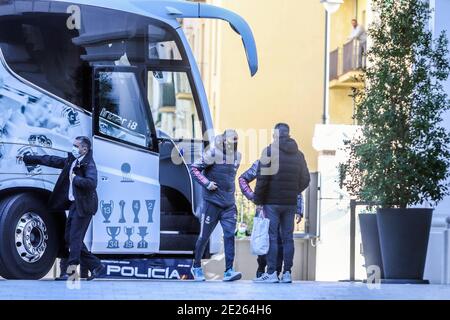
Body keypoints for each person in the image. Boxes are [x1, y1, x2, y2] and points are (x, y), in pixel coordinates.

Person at [18, 136, 104, 281]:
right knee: (69, 238)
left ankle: (71, 274)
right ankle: (96, 266)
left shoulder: (89, 164)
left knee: (75, 239)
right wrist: (29, 158)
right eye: (73, 145)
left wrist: (75, 179)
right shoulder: (73, 161)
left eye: (76, 146)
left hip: (84, 206)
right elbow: (51, 160)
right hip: (74, 205)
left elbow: (92, 183)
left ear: (85, 149)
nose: (73, 148)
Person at [252, 123, 310, 283]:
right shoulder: (299, 154)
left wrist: (258, 200)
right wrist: (294, 190)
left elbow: (262, 179)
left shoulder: (269, 151)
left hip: (272, 203)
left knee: (272, 237)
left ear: (275, 135)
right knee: (288, 238)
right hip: (290, 203)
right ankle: (287, 273)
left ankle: (271, 273)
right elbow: (306, 179)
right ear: (288, 134)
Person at [190, 130, 242, 282]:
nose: (233, 143)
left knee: (229, 235)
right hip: (212, 204)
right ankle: (196, 266)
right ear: (223, 140)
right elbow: (194, 169)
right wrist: (207, 183)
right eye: (230, 140)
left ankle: (229, 271)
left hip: (229, 205)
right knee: (204, 236)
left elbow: (230, 178)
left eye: (235, 140)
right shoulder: (213, 153)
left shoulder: (238, 156)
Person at [239, 160, 304, 280]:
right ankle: (263, 271)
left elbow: (297, 187)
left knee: (279, 241)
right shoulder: (261, 163)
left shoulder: (288, 164)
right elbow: (242, 179)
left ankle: (276, 273)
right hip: (266, 209)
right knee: (265, 240)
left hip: (282, 208)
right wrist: (253, 197)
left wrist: (299, 209)